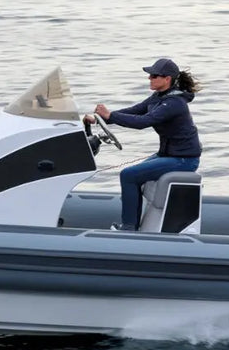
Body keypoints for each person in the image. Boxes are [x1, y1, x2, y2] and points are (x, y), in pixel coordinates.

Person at [84, 57, 202, 231]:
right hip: (169, 155)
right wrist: (100, 118)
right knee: (132, 176)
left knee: (128, 175)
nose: (149, 78)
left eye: (154, 75)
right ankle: (133, 222)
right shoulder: (158, 97)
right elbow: (134, 111)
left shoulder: (174, 103)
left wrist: (110, 116)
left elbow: (143, 122)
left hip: (184, 159)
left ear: (167, 79)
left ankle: (129, 227)